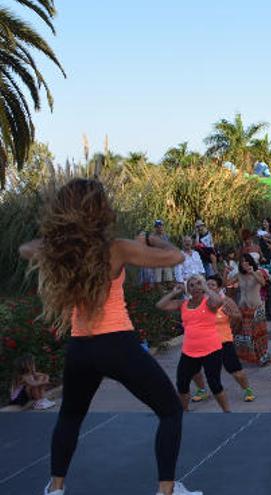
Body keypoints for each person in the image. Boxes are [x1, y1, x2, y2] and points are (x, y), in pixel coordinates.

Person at [19, 178, 199, 495]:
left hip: (80, 348)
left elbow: (26, 249)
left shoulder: (61, 251)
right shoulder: (115, 248)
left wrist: (59, 243)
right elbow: (177, 258)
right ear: (99, 210)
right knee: (170, 411)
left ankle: (56, 489)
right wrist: (157, 241)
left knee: (70, 415)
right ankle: (167, 491)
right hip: (116, 344)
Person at [156, 276, 231, 413]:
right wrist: (174, 292)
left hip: (211, 349)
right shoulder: (183, 304)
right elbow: (160, 305)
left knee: (214, 384)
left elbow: (219, 301)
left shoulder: (208, 303)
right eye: (191, 285)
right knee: (182, 383)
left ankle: (227, 412)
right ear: (188, 289)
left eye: (198, 284)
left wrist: (206, 287)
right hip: (189, 351)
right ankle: (185, 412)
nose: (195, 287)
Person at [189, 276, 255, 403]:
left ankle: (247, 389)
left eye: (212, 285)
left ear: (219, 287)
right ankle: (202, 390)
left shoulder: (226, 301)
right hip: (203, 341)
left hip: (223, 341)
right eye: (207, 285)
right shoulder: (199, 301)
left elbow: (238, 316)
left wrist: (230, 316)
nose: (209, 287)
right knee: (193, 368)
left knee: (234, 369)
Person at [229, 254, 271, 366]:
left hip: (256, 308)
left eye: (247, 261)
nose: (245, 263)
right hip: (243, 308)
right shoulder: (239, 275)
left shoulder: (257, 273)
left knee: (259, 334)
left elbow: (263, 283)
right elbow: (227, 284)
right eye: (242, 261)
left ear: (251, 262)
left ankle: (262, 357)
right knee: (244, 335)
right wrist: (225, 273)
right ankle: (247, 357)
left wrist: (252, 272)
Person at [151, 220, 174, 287]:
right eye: (158, 226)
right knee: (157, 275)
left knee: (168, 273)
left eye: (161, 226)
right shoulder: (152, 237)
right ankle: (159, 288)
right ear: (155, 228)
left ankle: (169, 286)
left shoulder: (166, 236)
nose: (160, 228)